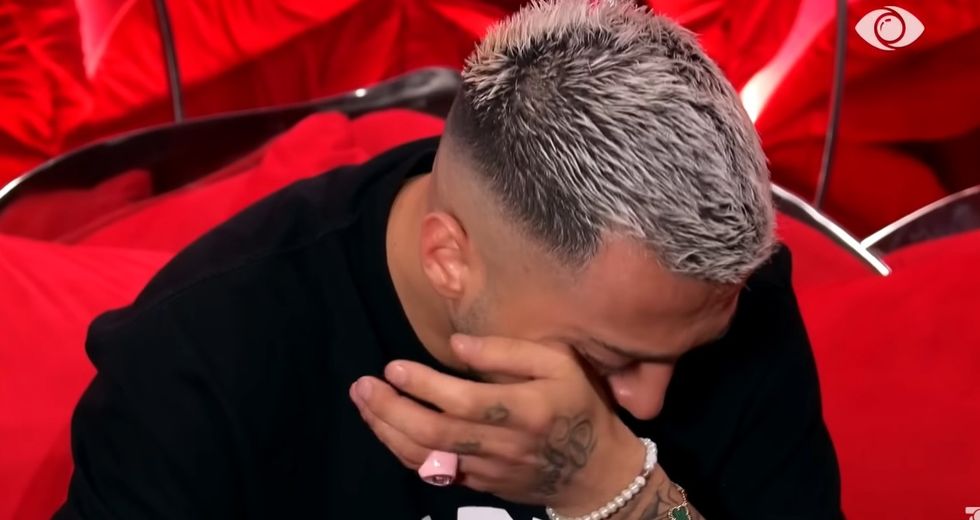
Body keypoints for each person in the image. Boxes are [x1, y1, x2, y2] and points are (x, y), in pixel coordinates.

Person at [56, 1, 842, 518]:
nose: (647, 401)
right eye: (612, 357)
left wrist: (615, 492)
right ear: (448, 258)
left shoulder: (706, 293)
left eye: (686, 352)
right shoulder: (200, 359)